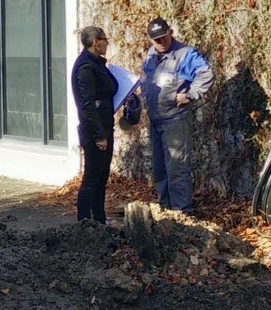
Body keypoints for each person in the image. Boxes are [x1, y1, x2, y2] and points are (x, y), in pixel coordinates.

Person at [136, 16, 212, 214]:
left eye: (163, 37)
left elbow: (206, 74)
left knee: (177, 169)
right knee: (159, 170)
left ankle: (182, 214)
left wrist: (190, 94)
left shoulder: (185, 54)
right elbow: (146, 79)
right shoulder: (151, 54)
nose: (161, 43)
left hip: (175, 121)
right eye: (156, 40)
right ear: (150, 40)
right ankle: (165, 212)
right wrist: (143, 97)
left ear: (171, 32)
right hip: (156, 120)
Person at [70, 25, 119, 224]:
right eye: (105, 39)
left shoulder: (97, 64)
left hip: (105, 126)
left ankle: (99, 219)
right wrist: (99, 135)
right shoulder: (86, 68)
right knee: (92, 176)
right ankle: (84, 221)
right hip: (94, 131)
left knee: (101, 176)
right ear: (95, 42)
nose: (107, 43)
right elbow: (87, 105)